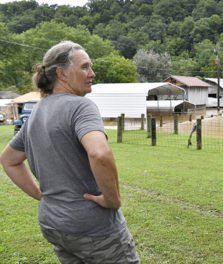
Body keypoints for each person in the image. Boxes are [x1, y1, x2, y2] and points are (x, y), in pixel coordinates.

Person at [0, 41, 139, 263]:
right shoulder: (81, 107)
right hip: (94, 229)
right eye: (84, 67)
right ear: (62, 74)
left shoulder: (36, 112)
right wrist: (113, 199)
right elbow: (99, 154)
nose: (92, 73)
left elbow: (9, 160)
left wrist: (40, 195)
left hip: (54, 224)